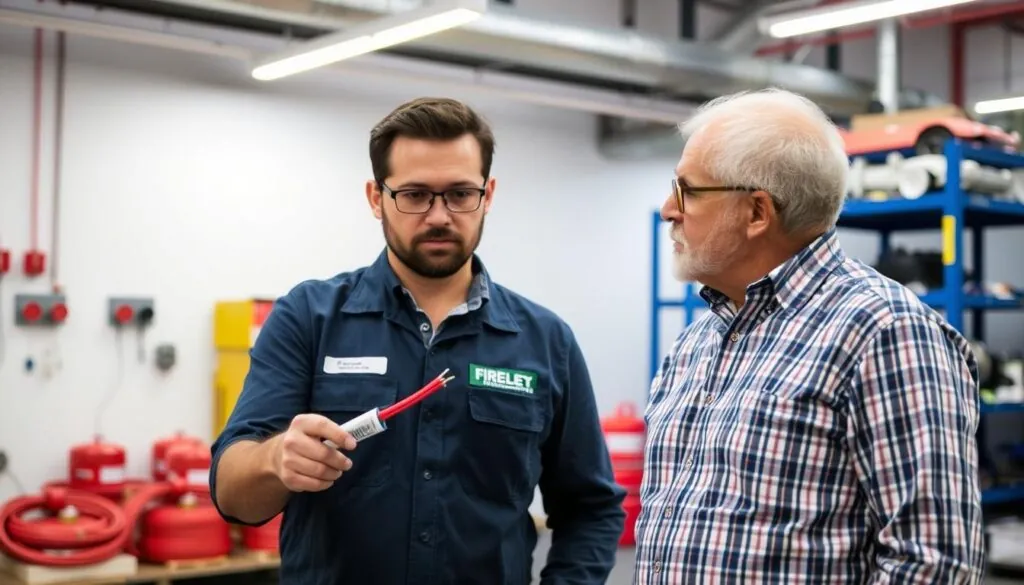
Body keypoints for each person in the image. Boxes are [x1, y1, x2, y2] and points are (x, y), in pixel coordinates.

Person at [209, 97, 626, 584]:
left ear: (487, 195)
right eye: (414, 195)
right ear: (375, 197)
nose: (438, 216)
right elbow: (233, 493)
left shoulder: (546, 341)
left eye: (460, 194)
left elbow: (591, 510)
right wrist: (274, 460)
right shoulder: (308, 318)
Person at [634, 88, 984, 584]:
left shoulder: (885, 333)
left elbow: (933, 563)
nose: (670, 209)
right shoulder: (697, 343)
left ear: (757, 212)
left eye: (687, 189)